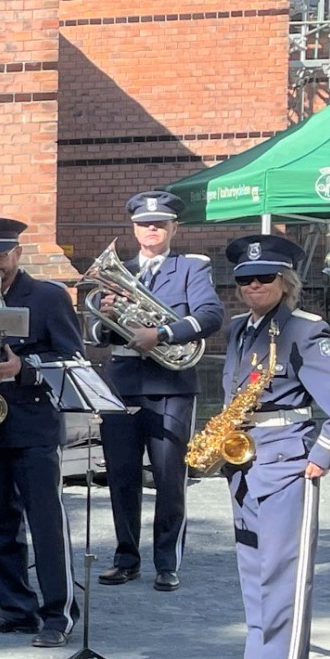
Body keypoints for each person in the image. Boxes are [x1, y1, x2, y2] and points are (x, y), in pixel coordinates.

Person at [0, 218, 84, 648]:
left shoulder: (48, 297)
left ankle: (58, 614)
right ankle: (14, 607)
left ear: (17, 254)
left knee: (46, 526)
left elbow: (72, 357)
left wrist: (23, 369)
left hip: (34, 429)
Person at [215, 233, 330, 659]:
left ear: (286, 281)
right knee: (252, 566)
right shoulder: (239, 328)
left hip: (287, 460)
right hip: (245, 459)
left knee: (284, 569)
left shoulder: (305, 330)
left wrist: (321, 455)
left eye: (264, 277)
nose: (254, 286)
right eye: (245, 279)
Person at [94, 191, 223, 591]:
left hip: (171, 386)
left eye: (160, 224)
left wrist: (162, 333)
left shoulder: (190, 268)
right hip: (122, 385)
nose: (152, 229)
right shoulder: (119, 272)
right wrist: (108, 316)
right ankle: (125, 557)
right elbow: (95, 329)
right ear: (134, 229)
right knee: (121, 475)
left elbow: (210, 315)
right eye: (144, 224)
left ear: (173, 228)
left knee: (169, 477)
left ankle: (167, 562)